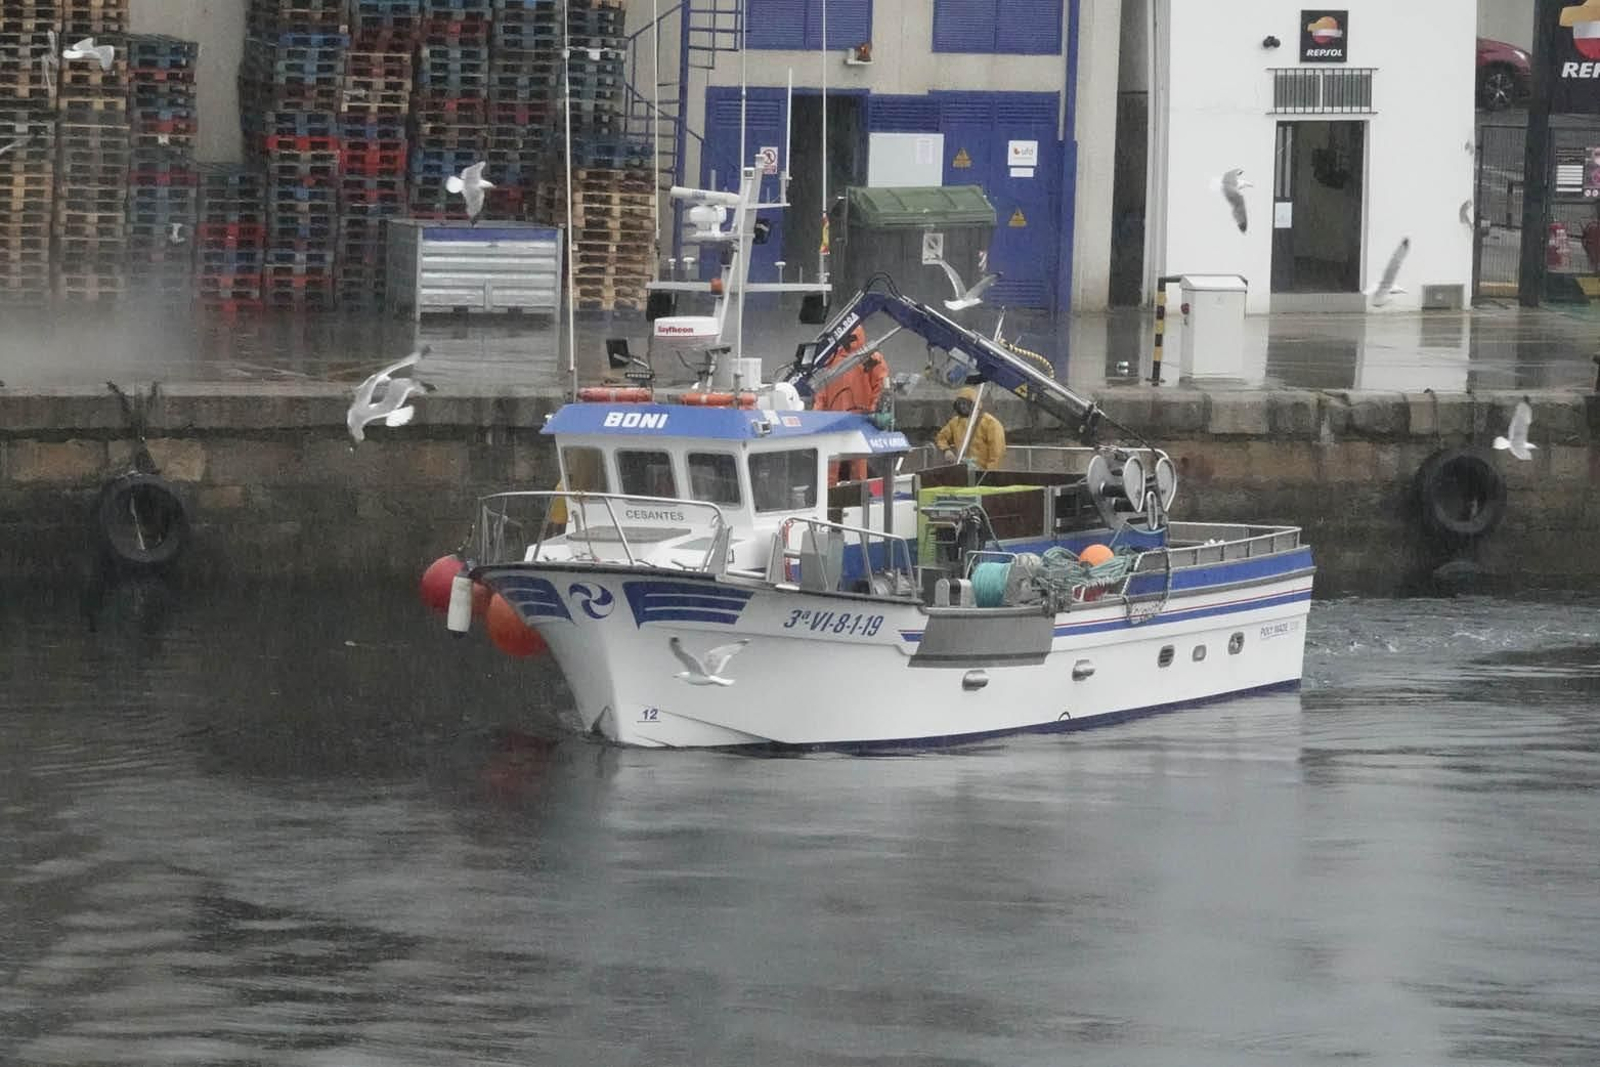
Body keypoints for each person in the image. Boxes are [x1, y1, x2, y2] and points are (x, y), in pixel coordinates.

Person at [813, 326, 889, 484]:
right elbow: (821, 391)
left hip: (849, 419)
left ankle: (848, 494)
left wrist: (874, 411)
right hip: (841, 420)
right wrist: (817, 415)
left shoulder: (867, 358)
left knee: (851, 463)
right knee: (835, 464)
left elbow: (880, 387)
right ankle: (844, 494)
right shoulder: (834, 359)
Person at [934, 386, 1006, 471]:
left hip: (982, 472)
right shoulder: (955, 422)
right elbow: (941, 437)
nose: (962, 406)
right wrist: (946, 450)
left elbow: (997, 453)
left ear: (974, 404)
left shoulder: (991, 423)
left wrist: (989, 473)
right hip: (962, 469)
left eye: (965, 403)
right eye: (960, 404)